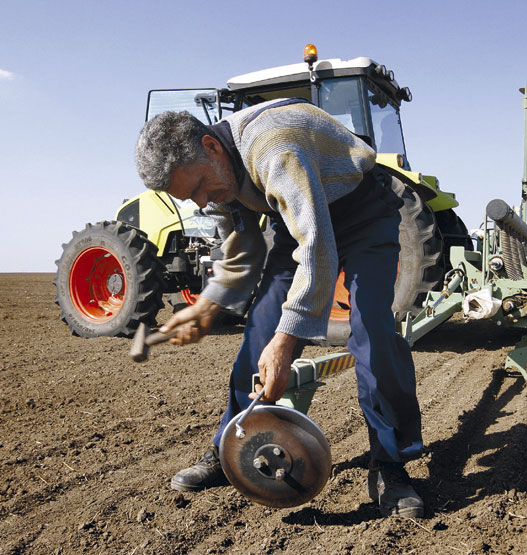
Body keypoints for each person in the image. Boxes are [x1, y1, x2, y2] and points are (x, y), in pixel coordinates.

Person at [134, 98, 424, 517]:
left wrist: (287, 342)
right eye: (190, 198)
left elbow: (317, 247)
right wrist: (207, 306)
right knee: (260, 329)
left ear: (211, 147)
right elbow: (242, 244)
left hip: (361, 213)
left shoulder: (274, 147)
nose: (201, 202)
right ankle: (227, 445)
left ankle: (391, 465)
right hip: (299, 224)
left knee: (372, 334)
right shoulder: (216, 170)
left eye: (198, 188)